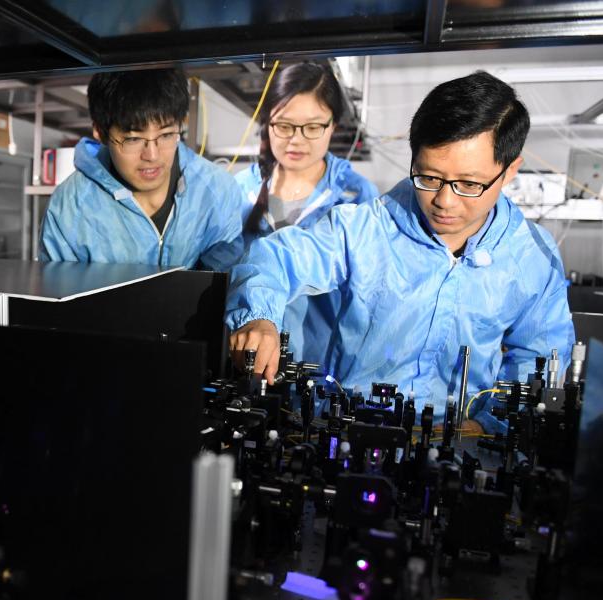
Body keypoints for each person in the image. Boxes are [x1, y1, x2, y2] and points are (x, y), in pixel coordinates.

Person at [226, 70, 575, 434]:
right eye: (429, 178)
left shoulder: (531, 256)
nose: (444, 201)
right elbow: (274, 260)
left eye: (469, 184)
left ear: (509, 170)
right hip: (350, 434)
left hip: (461, 443)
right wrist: (259, 318)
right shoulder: (364, 229)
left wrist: (488, 425)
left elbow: (538, 356)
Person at [234, 61, 378, 363]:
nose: (296, 140)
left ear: (333, 126)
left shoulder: (355, 197)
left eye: (312, 127)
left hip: (320, 365)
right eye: (284, 125)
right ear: (268, 124)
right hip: (247, 360)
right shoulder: (239, 191)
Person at [40, 68, 243, 271]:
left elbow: (226, 279)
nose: (152, 155)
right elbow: (58, 287)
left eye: (166, 135)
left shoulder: (217, 192)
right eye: (133, 139)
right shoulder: (70, 208)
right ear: (101, 132)